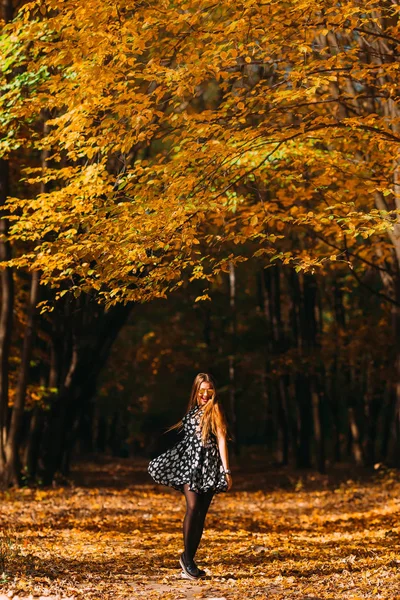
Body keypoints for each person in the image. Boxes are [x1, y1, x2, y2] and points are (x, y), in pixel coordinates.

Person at [147, 373, 233, 580]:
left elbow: (221, 439)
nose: (205, 394)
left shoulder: (215, 409)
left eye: (209, 390)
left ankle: (188, 559)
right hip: (189, 466)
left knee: (201, 514)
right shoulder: (192, 410)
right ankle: (188, 560)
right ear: (196, 391)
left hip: (209, 467)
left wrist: (226, 470)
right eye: (201, 390)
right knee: (193, 508)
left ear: (214, 391)